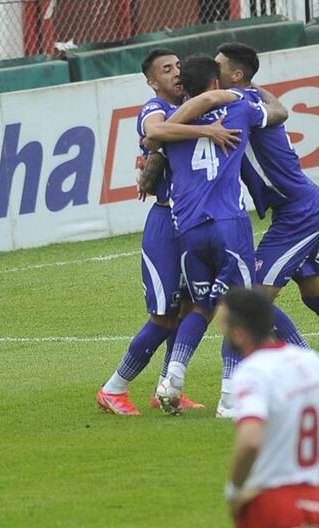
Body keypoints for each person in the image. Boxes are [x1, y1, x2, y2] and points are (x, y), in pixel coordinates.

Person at [166, 42, 319, 412]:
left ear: (234, 77)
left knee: (248, 301)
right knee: (317, 295)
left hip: (300, 213)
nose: (214, 74)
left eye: (220, 67)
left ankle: (308, 383)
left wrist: (168, 127)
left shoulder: (234, 99)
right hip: (295, 209)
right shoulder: (242, 101)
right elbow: (277, 110)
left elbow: (211, 105)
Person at [96, 48, 239, 416]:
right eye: (166, 69)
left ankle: (167, 388)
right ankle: (114, 388)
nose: (175, 73)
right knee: (163, 315)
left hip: (191, 226)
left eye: (178, 66)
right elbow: (155, 132)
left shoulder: (194, 106)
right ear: (152, 81)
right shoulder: (152, 109)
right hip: (165, 224)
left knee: (193, 306)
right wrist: (205, 131)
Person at [147, 55, 291, 415]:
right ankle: (229, 398)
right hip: (228, 223)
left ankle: (172, 377)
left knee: (200, 306)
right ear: (215, 83)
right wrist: (247, 91)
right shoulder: (239, 107)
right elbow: (278, 113)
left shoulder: (169, 128)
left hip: (189, 228)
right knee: (237, 306)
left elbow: (153, 142)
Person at [220, 288, 319, 528]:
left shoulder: (252, 372)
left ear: (240, 335)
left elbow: (250, 441)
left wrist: (234, 490)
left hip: (269, 502)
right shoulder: (309, 360)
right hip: (314, 501)